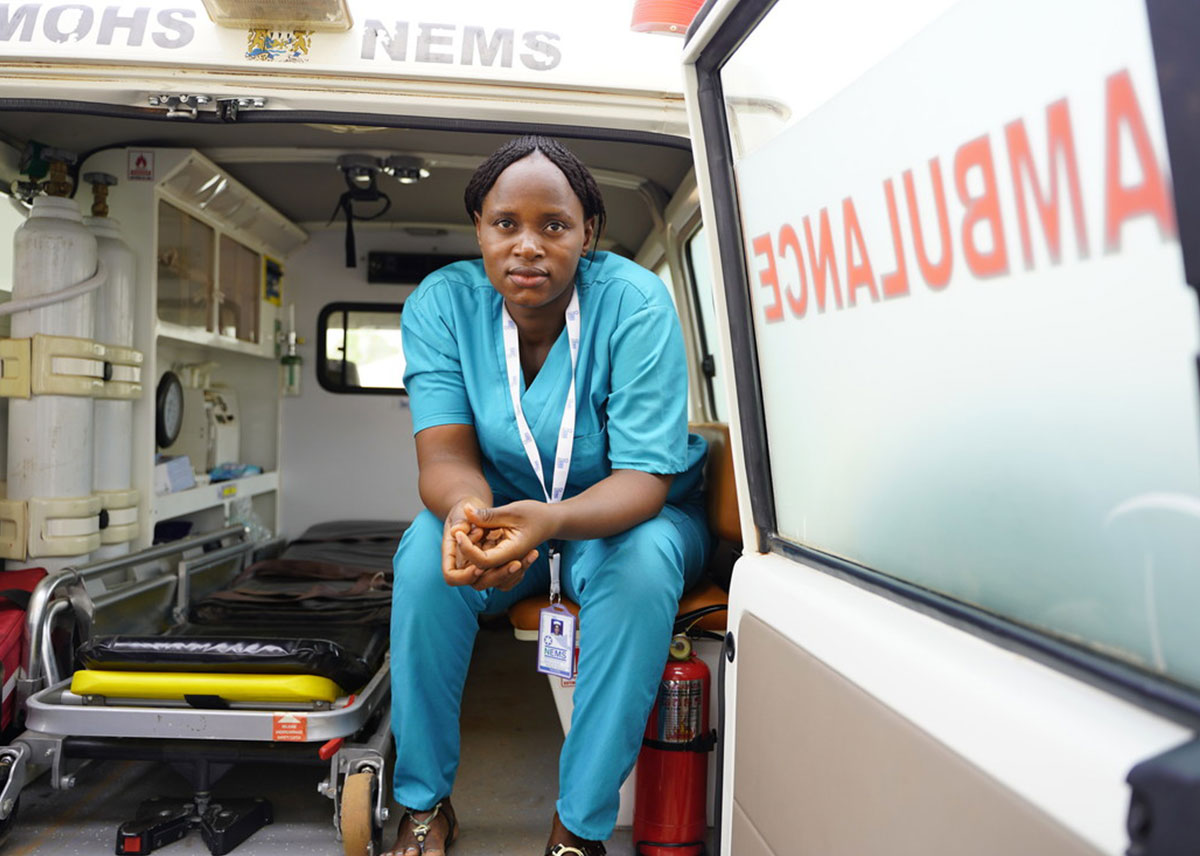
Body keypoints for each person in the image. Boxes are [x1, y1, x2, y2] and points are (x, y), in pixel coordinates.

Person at [386, 135, 710, 856]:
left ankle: (578, 829)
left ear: (587, 233)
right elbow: (443, 454)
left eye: (553, 226)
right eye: (506, 224)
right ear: (479, 227)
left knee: (643, 566)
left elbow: (643, 480)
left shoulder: (632, 302)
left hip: (628, 516)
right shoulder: (442, 306)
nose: (527, 245)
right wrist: (470, 514)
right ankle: (423, 805)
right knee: (420, 563)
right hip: (508, 515)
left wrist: (552, 521)